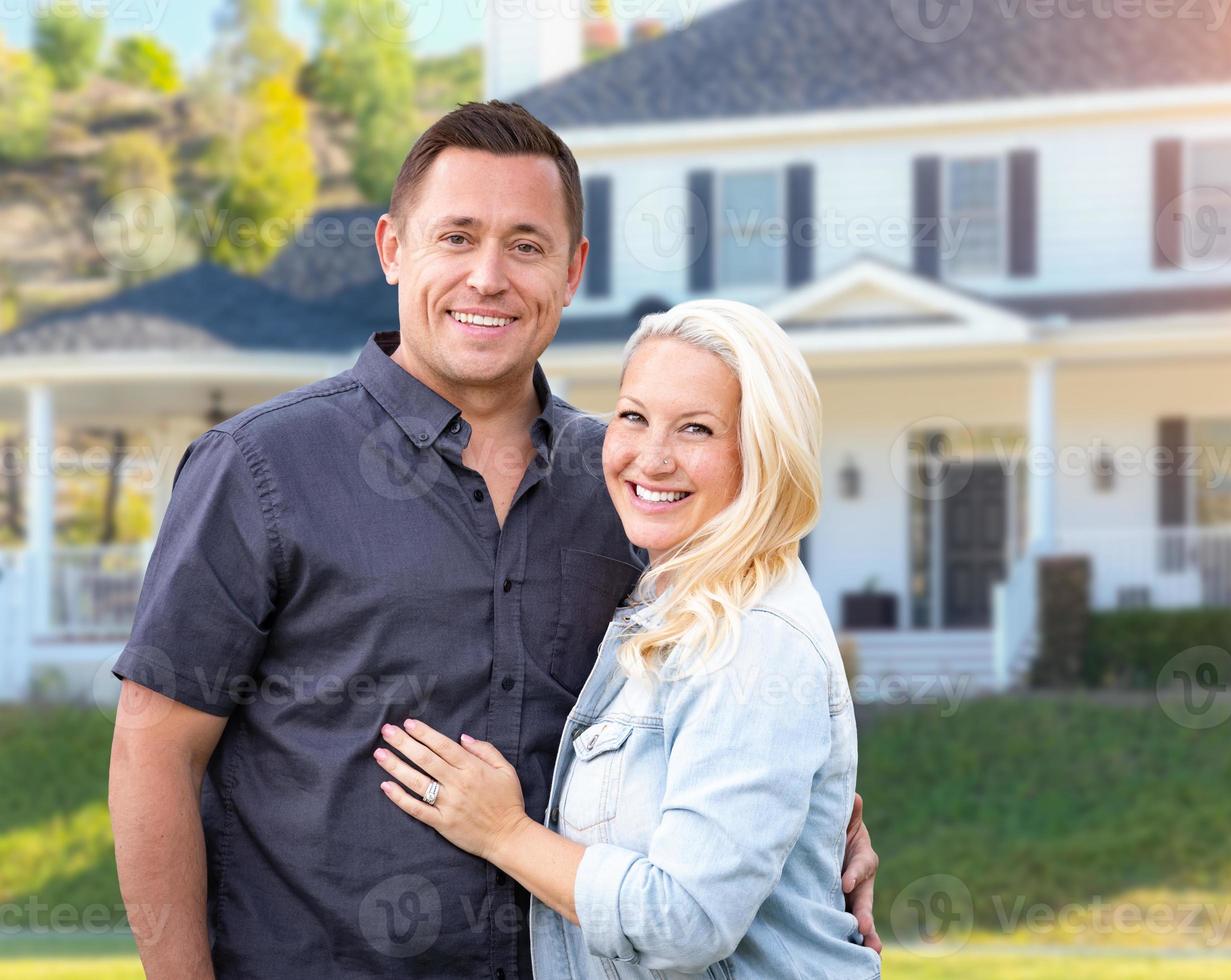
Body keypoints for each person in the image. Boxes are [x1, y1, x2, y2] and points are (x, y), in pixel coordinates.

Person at [107, 101, 880, 980]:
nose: (488, 276)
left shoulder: (633, 484)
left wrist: (818, 827)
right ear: (393, 248)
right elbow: (153, 748)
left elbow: (723, 710)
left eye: (524, 244)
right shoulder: (261, 468)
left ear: (572, 269)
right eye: (456, 237)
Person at [372, 299, 883, 978]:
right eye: (634, 417)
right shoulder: (666, 602)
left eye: (696, 429)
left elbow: (687, 922)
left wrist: (502, 832)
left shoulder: (751, 639)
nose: (652, 457)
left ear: (763, 450)